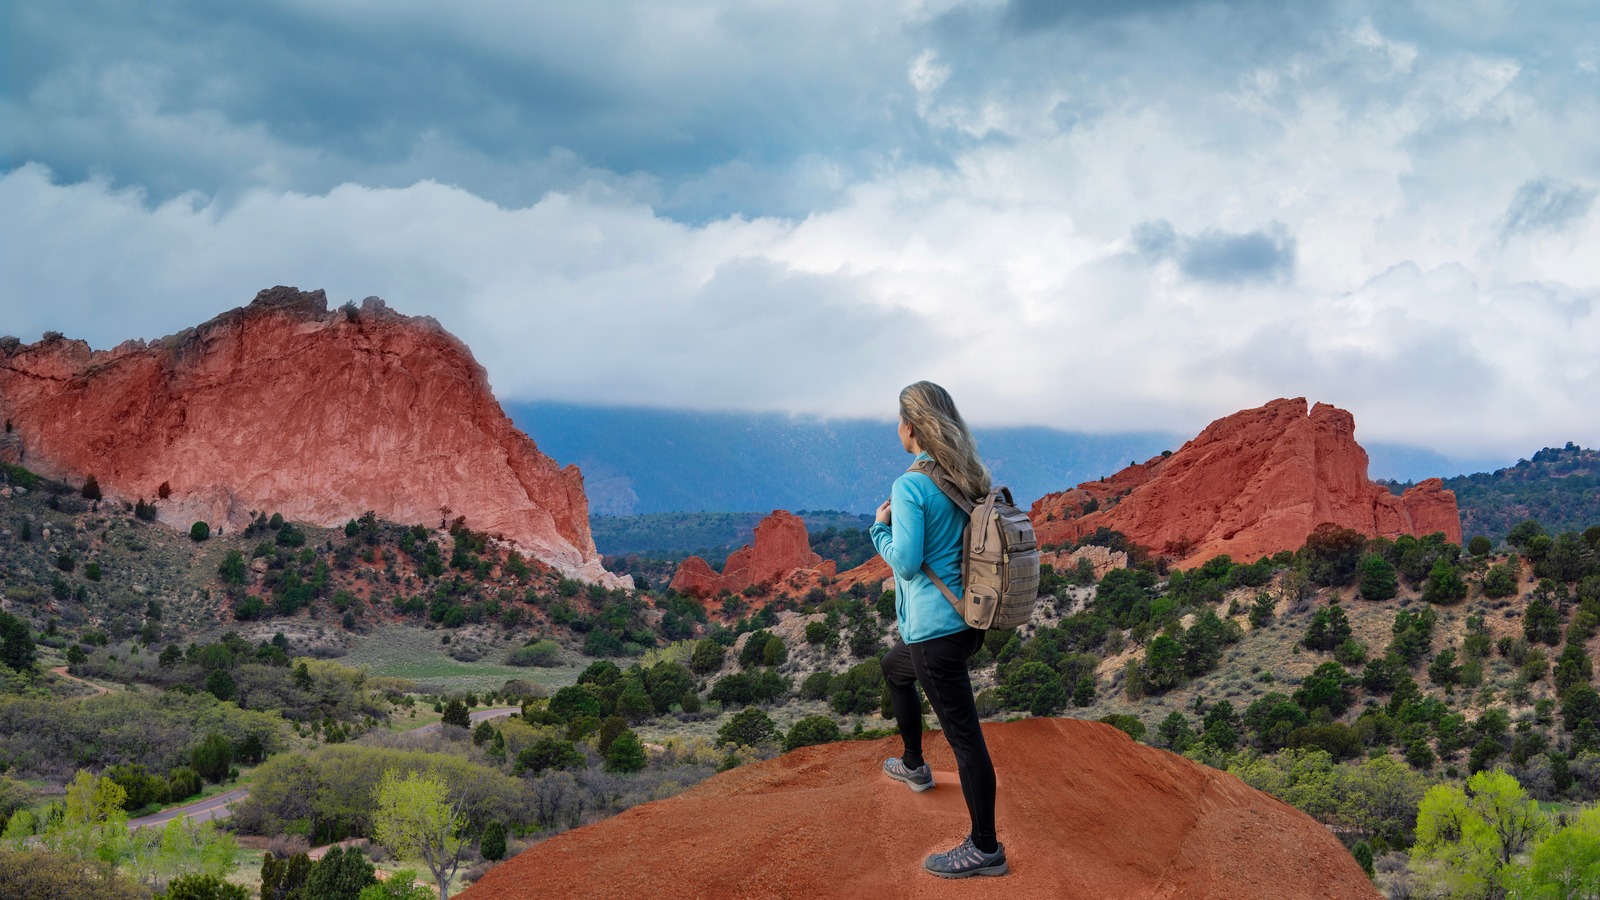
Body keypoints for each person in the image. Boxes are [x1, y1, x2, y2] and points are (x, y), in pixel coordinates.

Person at [871, 380, 1006, 879]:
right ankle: (912, 763)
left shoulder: (910, 484)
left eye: (898, 420)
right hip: (966, 621)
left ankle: (985, 848)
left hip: (933, 632)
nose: (897, 428)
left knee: (965, 739)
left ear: (911, 426)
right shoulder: (964, 474)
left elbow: (905, 564)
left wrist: (878, 529)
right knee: (893, 667)